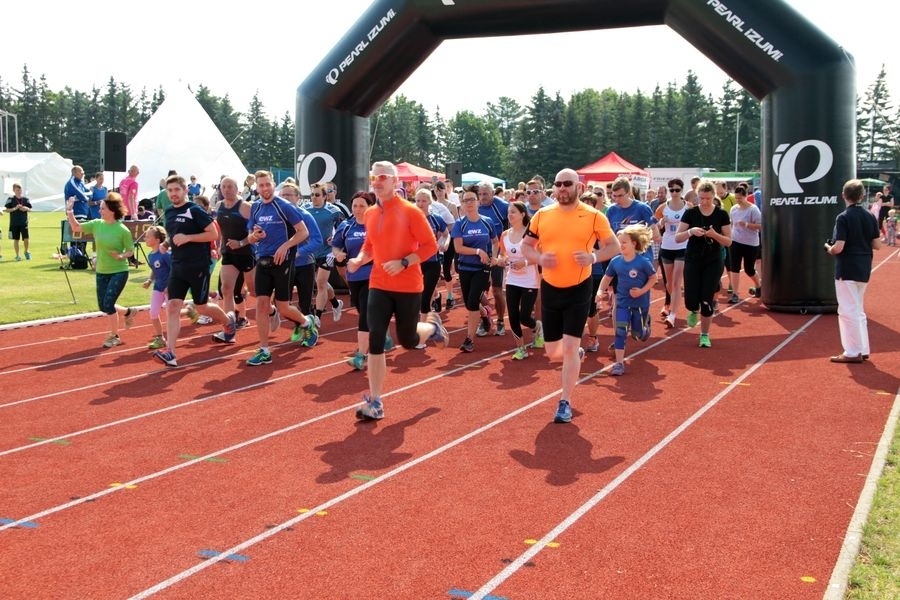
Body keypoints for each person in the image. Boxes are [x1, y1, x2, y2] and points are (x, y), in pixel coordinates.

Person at [346, 161, 449, 421]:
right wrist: (360, 259)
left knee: (408, 340)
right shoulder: (370, 213)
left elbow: (429, 246)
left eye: (383, 176)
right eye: (373, 176)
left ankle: (432, 328)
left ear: (395, 182)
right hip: (379, 284)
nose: (377, 181)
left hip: (407, 285)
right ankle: (375, 401)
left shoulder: (411, 211)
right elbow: (369, 245)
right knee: (376, 339)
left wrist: (404, 262)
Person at [521, 168, 620, 424]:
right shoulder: (542, 215)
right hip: (551, 288)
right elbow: (525, 246)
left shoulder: (594, 216)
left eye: (567, 184)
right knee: (554, 352)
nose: (562, 188)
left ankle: (564, 401)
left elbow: (614, 245)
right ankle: (574, 357)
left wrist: (593, 257)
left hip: (579, 288)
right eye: (558, 184)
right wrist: (540, 258)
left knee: (569, 346)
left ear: (580, 188)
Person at [153, 175, 237, 367]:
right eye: (170, 190)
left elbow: (213, 234)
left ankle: (228, 322)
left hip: (198, 266)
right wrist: (166, 243)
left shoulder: (194, 210)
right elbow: (175, 234)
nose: (173, 194)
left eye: (177, 190)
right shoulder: (168, 211)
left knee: (201, 307)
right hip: (177, 265)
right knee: (173, 306)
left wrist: (188, 238)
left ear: (185, 191)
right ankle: (170, 352)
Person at [243, 171, 319, 366]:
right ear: (256, 188)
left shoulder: (283, 206)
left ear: (273, 184)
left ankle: (306, 322)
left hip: (283, 261)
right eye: (261, 185)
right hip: (262, 261)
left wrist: (285, 246)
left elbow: (304, 232)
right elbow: (251, 233)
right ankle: (264, 350)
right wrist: (254, 236)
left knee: (283, 306)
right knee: (261, 303)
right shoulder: (256, 207)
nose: (265, 188)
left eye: (268, 184)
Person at [64, 192, 137, 347]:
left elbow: (130, 251)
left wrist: (120, 256)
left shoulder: (123, 230)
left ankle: (114, 336)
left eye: (102, 208)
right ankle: (128, 312)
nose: (100, 211)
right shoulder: (97, 224)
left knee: (109, 304)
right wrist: (69, 211)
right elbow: (76, 227)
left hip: (119, 271)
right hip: (102, 271)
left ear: (111, 210)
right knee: (103, 306)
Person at [824, 179, 881, 363]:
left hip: (847, 268)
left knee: (847, 310)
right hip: (864, 267)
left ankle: (852, 351)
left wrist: (829, 248)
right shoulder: (870, 216)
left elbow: (839, 247)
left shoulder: (843, 217)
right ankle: (862, 348)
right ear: (862, 196)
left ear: (843, 196)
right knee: (858, 309)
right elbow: (877, 244)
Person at [674, 180, 732, 348]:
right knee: (691, 299)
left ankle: (704, 335)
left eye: (707, 198)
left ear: (714, 197)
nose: (704, 202)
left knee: (707, 299)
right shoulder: (690, 213)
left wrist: (715, 235)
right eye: (701, 198)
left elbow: (728, 241)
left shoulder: (721, 215)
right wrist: (691, 232)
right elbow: (677, 237)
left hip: (713, 261)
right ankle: (693, 309)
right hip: (693, 259)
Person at [597, 224, 656, 376]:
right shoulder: (616, 261)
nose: (620, 245)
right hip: (622, 303)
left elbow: (653, 278)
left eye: (624, 242)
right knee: (620, 332)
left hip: (640, 304)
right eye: (619, 241)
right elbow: (607, 277)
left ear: (634, 244)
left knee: (637, 335)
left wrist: (642, 291)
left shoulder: (643, 262)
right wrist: (599, 291)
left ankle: (645, 327)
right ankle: (619, 364)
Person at [332, 191, 377, 370]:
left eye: (362, 206)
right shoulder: (346, 226)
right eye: (355, 205)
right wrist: (339, 255)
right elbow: (335, 246)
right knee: (361, 310)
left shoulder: (376, 225)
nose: (358, 209)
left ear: (370, 207)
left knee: (365, 313)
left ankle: (361, 355)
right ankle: (379, 333)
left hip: (374, 274)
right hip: (353, 276)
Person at [452, 186, 499, 353]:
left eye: (472, 199)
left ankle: (469, 340)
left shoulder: (487, 221)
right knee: (469, 302)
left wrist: (493, 257)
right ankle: (485, 315)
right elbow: (458, 248)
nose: (469, 203)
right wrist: (478, 251)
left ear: (478, 202)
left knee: (472, 303)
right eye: (466, 200)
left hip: (482, 269)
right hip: (465, 267)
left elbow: (495, 242)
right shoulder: (460, 224)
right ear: (462, 204)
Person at [498, 200, 542, 359]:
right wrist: (501, 260)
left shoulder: (532, 235)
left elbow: (540, 257)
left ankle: (537, 327)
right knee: (513, 315)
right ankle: (521, 348)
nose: (509, 215)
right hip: (512, 280)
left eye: (513, 212)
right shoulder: (504, 234)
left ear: (523, 214)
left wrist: (524, 262)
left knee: (524, 316)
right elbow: (503, 254)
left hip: (530, 280)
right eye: (508, 212)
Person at [215, 176, 255, 332]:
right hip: (229, 254)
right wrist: (218, 245)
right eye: (223, 186)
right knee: (226, 289)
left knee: (254, 291)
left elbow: (256, 232)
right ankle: (229, 326)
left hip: (247, 253)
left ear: (237, 188)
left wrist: (241, 243)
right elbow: (220, 229)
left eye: (230, 186)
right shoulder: (219, 205)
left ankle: (271, 311)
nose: (226, 189)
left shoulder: (245, 207)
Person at [305, 182, 345, 326]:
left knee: (320, 282)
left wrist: (335, 240)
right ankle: (335, 303)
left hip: (327, 252)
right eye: (312, 195)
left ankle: (317, 317)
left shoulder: (333, 211)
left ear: (324, 197)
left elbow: (344, 229)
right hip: (310, 252)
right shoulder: (305, 209)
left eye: (317, 195)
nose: (314, 198)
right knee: (321, 282)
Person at [476, 181, 510, 336]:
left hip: (498, 251)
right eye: (480, 194)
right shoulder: (475, 206)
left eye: (485, 194)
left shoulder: (502, 206)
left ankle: (501, 321)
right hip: (479, 252)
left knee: (496, 289)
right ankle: (486, 313)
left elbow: (510, 228)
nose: (482, 197)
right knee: (475, 290)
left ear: (492, 193)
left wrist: (504, 253)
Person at [414, 189, 449, 332]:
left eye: (423, 201)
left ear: (429, 202)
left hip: (432, 262)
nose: (420, 204)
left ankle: (422, 334)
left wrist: (445, 244)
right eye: (418, 201)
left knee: (424, 297)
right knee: (414, 296)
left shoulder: (436, 219)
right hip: (414, 262)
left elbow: (447, 234)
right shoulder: (410, 219)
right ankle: (432, 321)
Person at [655, 179, 689, 328]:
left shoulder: (689, 207)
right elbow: (654, 224)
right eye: (672, 190)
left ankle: (673, 315)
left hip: (683, 246)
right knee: (669, 283)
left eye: (677, 190)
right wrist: (661, 223)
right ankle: (671, 303)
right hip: (667, 246)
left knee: (676, 282)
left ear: (682, 190)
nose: (674, 193)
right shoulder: (663, 207)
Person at [727, 184, 763, 302]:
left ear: (746, 196)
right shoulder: (734, 209)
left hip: (751, 243)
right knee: (734, 268)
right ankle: (735, 294)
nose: (738, 201)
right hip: (736, 241)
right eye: (736, 198)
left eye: (740, 198)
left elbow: (761, 226)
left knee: (749, 269)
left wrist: (747, 224)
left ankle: (759, 285)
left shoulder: (753, 209)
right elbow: (731, 223)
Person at [142, 225, 171, 350]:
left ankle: (171, 340)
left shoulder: (165, 254)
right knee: (153, 312)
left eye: (148, 236)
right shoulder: (151, 255)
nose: (145, 238)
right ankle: (160, 338)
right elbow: (154, 270)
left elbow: (174, 269)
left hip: (170, 288)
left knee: (171, 313)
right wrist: (149, 280)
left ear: (158, 240)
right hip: (158, 287)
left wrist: (170, 285)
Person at [5, 183, 32, 261]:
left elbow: (30, 209)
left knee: (26, 238)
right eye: (17, 190)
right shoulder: (10, 199)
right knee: (16, 239)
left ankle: (26, 252)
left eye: (20, 190)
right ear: (14, 190)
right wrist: (15, 208)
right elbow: (7, 210)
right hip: (14, 223)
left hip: (24, 222)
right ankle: (17, 255)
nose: (19, 191)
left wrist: (25, 208)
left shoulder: (25, 199)